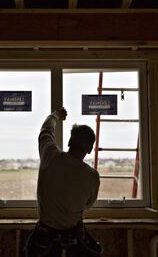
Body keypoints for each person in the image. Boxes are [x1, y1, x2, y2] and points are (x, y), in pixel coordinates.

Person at [25, 107, 102, 256]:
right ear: (90, 149)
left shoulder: (50, 155)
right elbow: (88, 204)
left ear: (69, 142)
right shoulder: (92, 176)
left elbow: (45, 130)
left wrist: (56, 115)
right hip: (75, 240)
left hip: (44, 239)